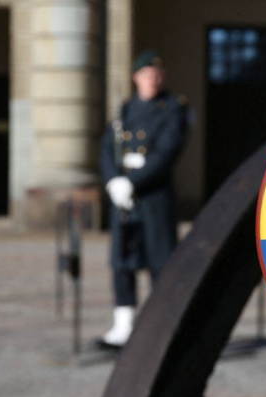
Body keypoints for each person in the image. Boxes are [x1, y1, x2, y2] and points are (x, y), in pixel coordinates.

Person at [98, 49, 188, 348]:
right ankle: (123, 324)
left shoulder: (172, 107)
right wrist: (114, 182)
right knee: (121, 260)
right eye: (147, 74)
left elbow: (166, 151)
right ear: (136, 77)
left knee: (161, 261)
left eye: (157, 74)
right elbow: (107, 149)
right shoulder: (125, 109)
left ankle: (162, 326)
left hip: (153, 196)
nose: (153, 79)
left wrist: (132, 181)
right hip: (123, 199)